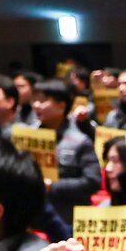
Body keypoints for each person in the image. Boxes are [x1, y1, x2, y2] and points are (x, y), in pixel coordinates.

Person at [31, 78, 100, 224]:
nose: (36, 105)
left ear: (61, 106)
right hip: (35, 217)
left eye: (43, 101)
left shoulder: (80, 140)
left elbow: (93, 181)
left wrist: (53, 186)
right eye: (35, 100)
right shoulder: (29, 136)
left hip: (67, 219)